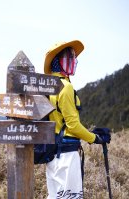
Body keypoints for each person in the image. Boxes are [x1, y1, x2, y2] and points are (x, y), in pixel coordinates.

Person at [44, 40, 110, 198]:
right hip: (66, 155)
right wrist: (95, 138)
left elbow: (61, 121)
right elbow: (72, 126)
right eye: (70, 57)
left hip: (52, 155)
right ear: (59, 61)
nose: (74, 61)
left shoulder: (48, 85)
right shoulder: (65, 87)